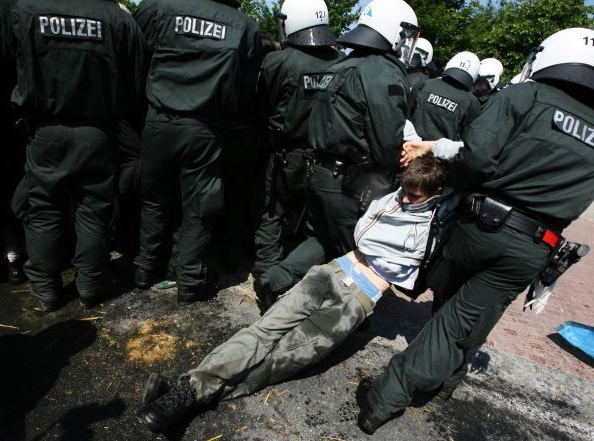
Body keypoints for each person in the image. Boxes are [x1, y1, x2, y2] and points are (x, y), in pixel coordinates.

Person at [355, 27, 594, 435]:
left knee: (450, 311)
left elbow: (475, 158)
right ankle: (447, 380)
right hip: (536, 247)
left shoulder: (525, 96)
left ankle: (384, 398)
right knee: (469, 315)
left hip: (482, 226)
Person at [136, 153, 448, 434]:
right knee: (262, 333)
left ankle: (180, 396)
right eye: (405, 192)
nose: (405, 200)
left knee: (275, 362)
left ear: (437, 194)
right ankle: (184, 394)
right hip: (329, 273)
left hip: (352, 304)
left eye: (414, 197)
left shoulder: (436, 225)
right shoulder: (394, 195)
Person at [255, 0, 420, 310]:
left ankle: (273, 279)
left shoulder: (345, 65)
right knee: (358, 248)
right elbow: (387, 140)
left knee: (322, 237)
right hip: (353, 181)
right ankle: (345, 311)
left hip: (319, 171)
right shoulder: (383, 72)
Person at [0, 0, 146, 310]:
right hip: (98, 132)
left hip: (46, 129)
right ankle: (90, 287)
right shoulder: (118, 18)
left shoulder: (24, 9)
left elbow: (4, 62)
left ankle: (47, 291)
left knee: (44, 210)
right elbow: (136, 80)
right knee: (94, 210)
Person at [133, 0, 261, 303]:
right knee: (199, 207)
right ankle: (189, 280)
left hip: (158, 120)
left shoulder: (157, 9)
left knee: (154, 198)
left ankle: (144, 269)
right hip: (206, 127)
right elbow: (246, 90)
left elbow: (136, 59)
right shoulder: (244, 26)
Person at [251, 0, 343, 292]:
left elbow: (260, 107)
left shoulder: (278, 61)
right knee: (310, 216)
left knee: (271, 211)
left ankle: (268, 273)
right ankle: (297, 271)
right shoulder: (341, 62)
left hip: (284, 154)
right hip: (324, 158)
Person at [411, 51, 481, 141]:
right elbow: (469, 137)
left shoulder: (426, 85)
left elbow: (408, 113)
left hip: (410, 148)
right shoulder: (472, 102)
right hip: (440, 153)